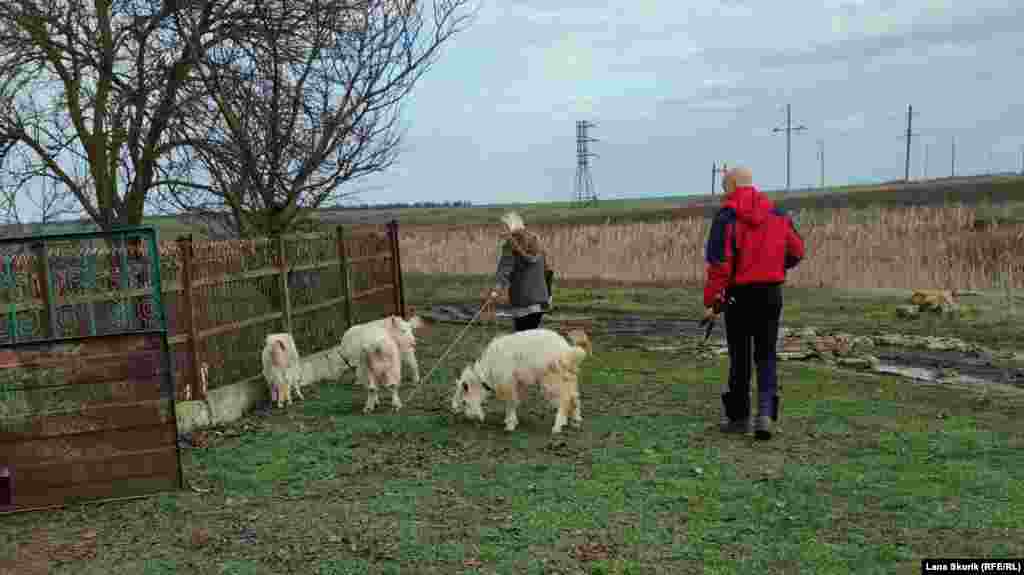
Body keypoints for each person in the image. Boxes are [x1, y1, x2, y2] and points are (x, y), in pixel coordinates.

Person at [703, 166, 805, 440]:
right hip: (771, 293)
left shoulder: (726, 217)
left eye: (725, 188)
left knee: (740, 355)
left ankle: (738, 418)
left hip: (738, 294)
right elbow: (797, 251)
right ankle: (765, 417)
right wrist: (775, 266)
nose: (724, 194)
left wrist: (713, 302)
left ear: (733, 185)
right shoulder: (778, 214)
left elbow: (718, 265)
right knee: (766, 354)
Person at [488, 212, 553, 331]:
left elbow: (504, 270)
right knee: (532, 336)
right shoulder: (535, 239)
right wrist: (548, 295)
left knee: (522, 337)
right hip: (540, 300)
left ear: (510, 226)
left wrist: (495, 290)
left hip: (521, 301)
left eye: (503, 227)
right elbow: (547, 269)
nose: (502, 230)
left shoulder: (510, 245)